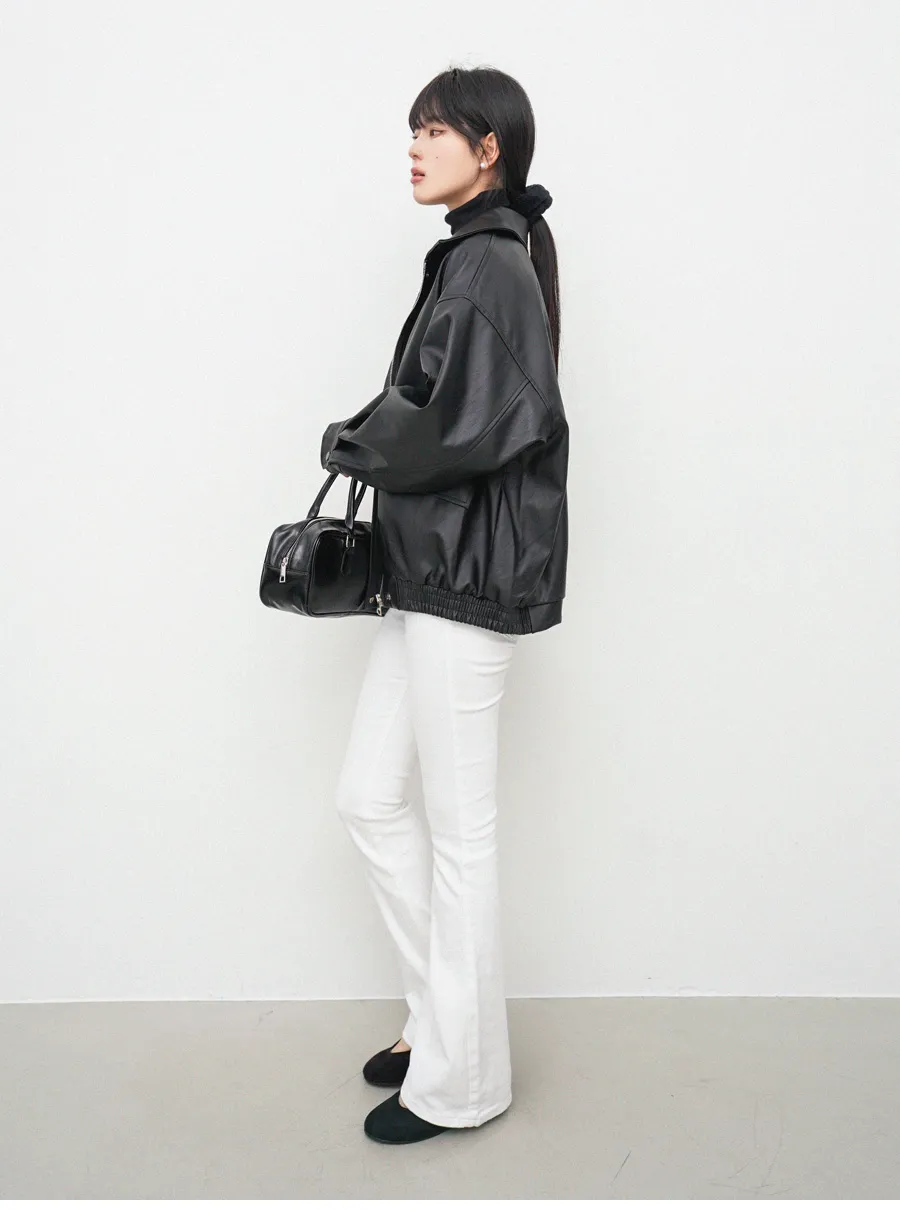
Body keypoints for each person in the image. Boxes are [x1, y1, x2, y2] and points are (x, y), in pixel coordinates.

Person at [319, 64, 569, 1145]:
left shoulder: (490, 265)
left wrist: (349, 440)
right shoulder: (473, 255)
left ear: (489, 148)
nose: (414, 147)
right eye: (412, 131)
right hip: (431, 571)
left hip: (467, 582)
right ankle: (439, 1020)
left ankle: (465, 1084)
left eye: (434, 131)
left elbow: (466, 424)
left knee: (464, 839)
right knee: (368, 796)